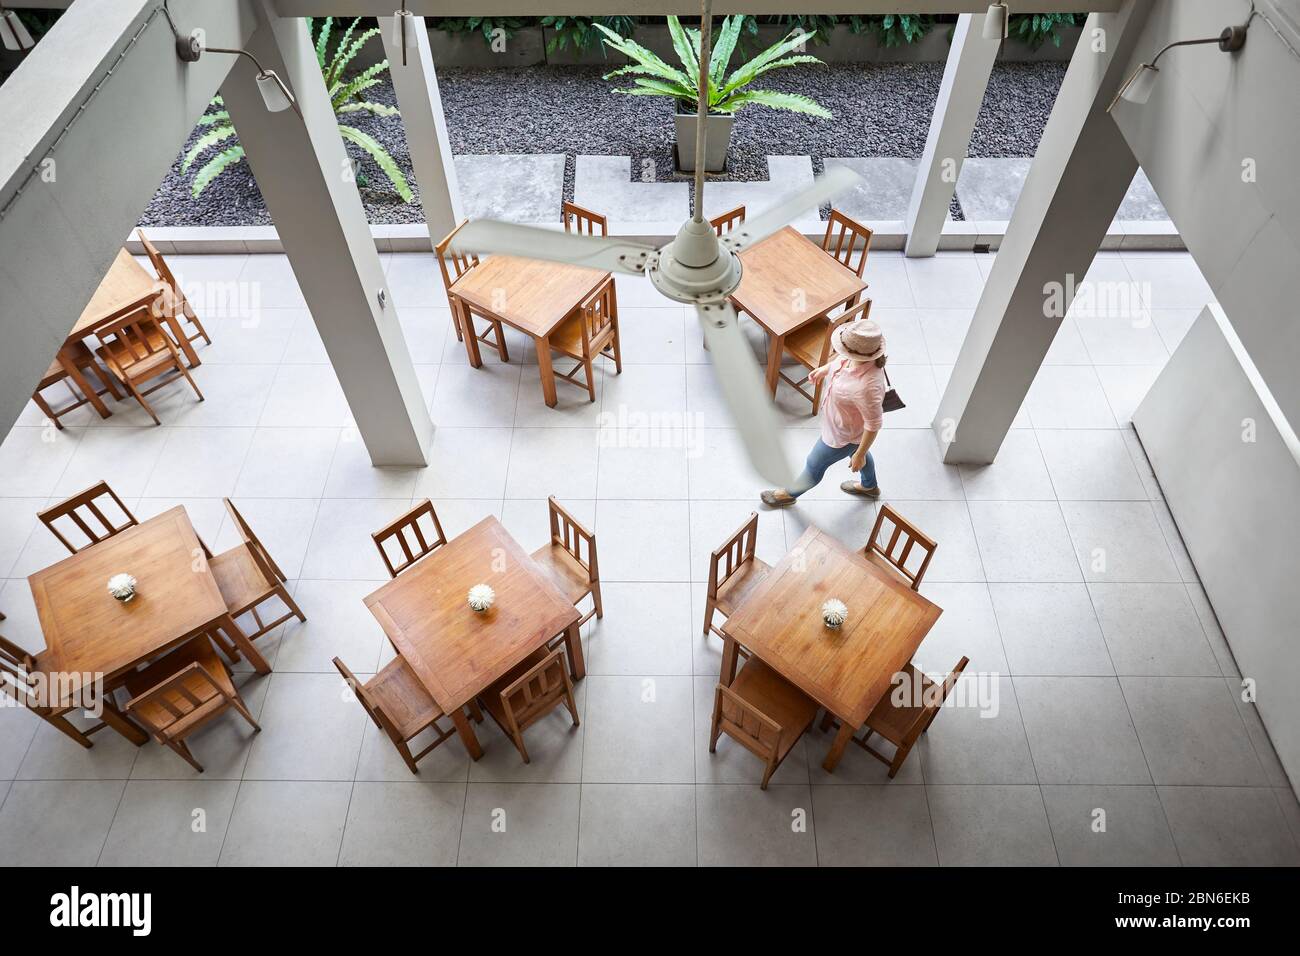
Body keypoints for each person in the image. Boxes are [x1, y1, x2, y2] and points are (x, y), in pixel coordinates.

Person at [760, 317, 886, 507]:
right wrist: (824, 370)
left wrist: (860, 453)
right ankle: (870, 486)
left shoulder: (867, 387)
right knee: (857, 451)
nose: (841, 352)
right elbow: (841, 362)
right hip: (844, 427)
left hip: (843, 435)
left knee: (814, 463)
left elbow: (874, 424)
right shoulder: (856, 358)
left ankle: (788, 494)